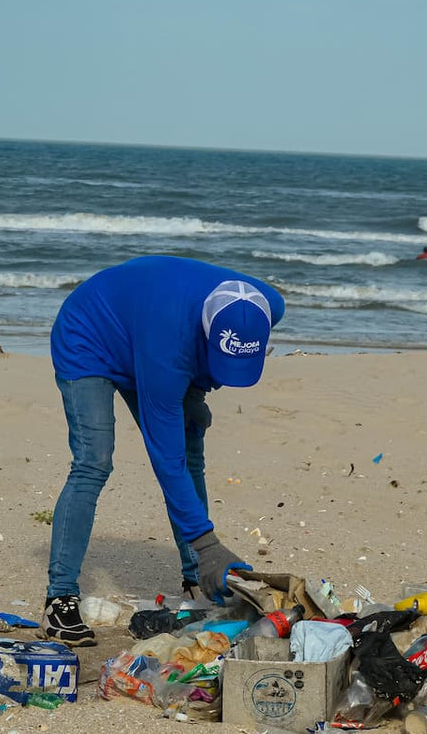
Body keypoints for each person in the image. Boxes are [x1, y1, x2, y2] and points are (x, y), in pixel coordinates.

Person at [42, 255, 285, 646]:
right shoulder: (167, 349)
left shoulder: (268, 304)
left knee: (193, 453)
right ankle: (59, 597)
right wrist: (209, 544)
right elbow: (165, 459)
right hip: (89, 336)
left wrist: (198, 391)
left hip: (149, 331)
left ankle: (196, 580)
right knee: (94, 461)